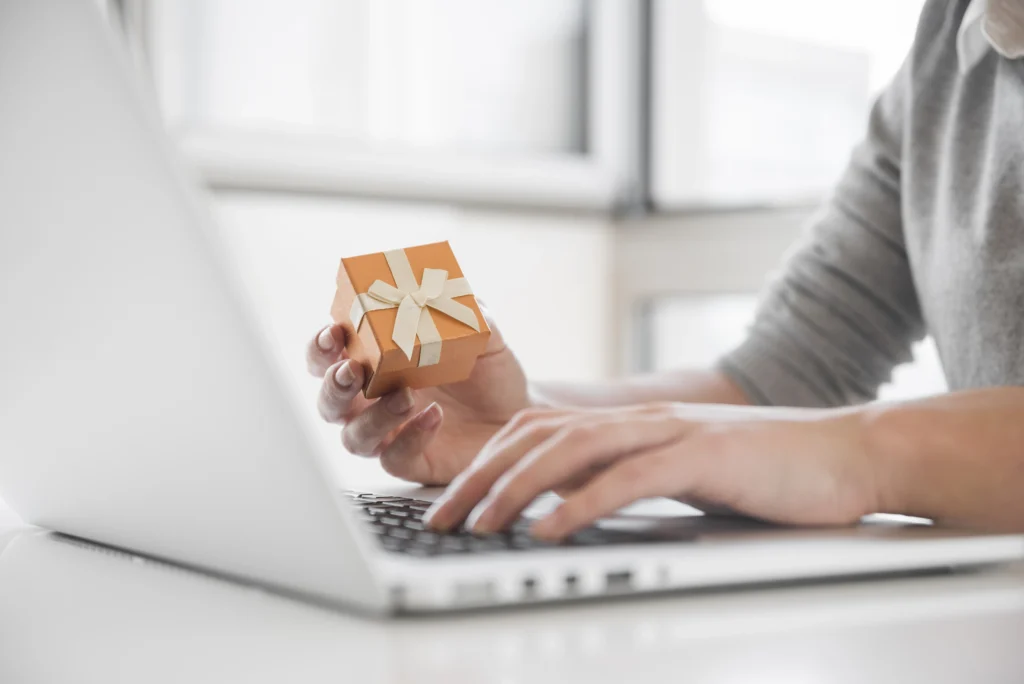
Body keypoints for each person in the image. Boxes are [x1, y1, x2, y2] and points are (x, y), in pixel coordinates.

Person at [306, 0, 1024, 541]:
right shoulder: (949, 48)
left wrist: (861, 455)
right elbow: (782, 379)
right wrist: (522, 420)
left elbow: (804, 433)